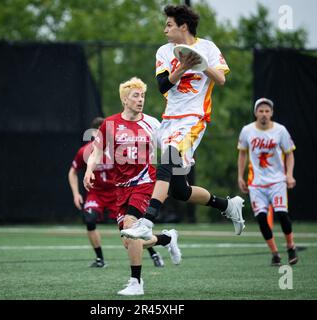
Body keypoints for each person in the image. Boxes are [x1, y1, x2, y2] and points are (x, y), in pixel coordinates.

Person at [121, 4, 245, 241]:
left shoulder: (207, 47)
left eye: (169, 24)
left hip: (193, 119)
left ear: (183, 26)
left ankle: (147, 222)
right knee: (179, 189)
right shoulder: (164, 52)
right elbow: (162, 86)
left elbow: (220, 79)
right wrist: (183, 67)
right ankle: (227, 206)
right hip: (169, 120)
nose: (164, 29)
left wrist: (199, 62)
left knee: (167, 158)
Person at [83, 77, 181, 296]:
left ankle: (136, 283)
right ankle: (167, 239)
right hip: (121, 188)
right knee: (129, 242)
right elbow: (97, 152)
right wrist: (90, 169)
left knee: (132, 228)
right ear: (124, 99)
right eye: (136, 96)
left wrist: (178, 161)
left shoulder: (152, 123)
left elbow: (168, 149)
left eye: (143, 95)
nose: (140, 99)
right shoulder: (109, 124)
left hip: (146, 183)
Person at [68, 117, 165, 268]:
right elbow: (72, 171)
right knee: (89, 220)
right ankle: (100, 259)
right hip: (97, 194)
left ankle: (154, 253)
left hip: (117, 193)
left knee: (131, 230)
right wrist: (76, 193)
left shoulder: (119, 150)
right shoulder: (86, 151)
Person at [237, 98, 299, 266]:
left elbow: (290, 153)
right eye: (260, 111)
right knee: (262, 218)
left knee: (282, 214)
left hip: (277, 181)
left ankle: (290, 246)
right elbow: (242, 153)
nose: (264, 114)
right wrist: (240, 176)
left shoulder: (280, 130)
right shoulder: (247, 131)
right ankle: (275, 253)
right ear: (255, 112)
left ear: (271, 113)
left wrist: (290, 175)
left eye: (267, 111)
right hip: (256, 183)